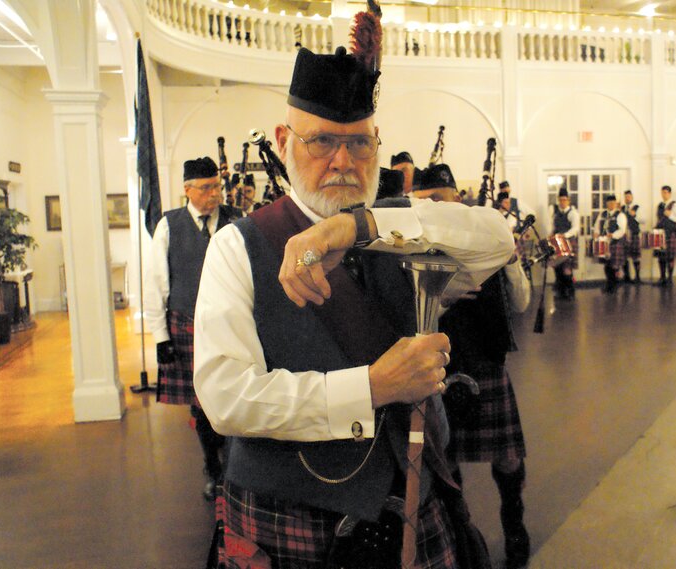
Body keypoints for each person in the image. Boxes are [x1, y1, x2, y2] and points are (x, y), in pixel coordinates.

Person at [193, 42, 514, 568]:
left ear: (378, 145)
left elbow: (497, 238)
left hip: (415, 503)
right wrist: (370, 388)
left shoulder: (398, 225)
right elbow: (225, 396)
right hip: (293, 520)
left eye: (359, 144)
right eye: (321, 140)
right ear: (283, 140)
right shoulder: (238, 245)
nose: (342, 161)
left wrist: (360, 225)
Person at [412, 165, 532, 569]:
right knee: (448, 460)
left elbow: (519, 304)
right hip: (439, 369)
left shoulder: (485, 238)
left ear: (456, 198)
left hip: (485, 361)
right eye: (423, 202)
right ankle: (462, 530)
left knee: (509, 457)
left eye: (439, 200)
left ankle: (513, 521)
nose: (431, 210)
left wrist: (511, 261)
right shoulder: (410, 247)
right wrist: (444, 294)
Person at [144, 156, 241, 501]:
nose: (214, 194)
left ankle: (233, 469)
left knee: (230, 397)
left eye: (216, 186)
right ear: (187, 189)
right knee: (201, 404)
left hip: (229, 323)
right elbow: (157, 284)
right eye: (206, 188)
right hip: (186, 322)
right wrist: (161, 337)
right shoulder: (169, 225)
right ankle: (213, 469)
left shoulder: (235, 220)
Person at [548, 188, 580, 300]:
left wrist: (564, 235)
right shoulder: (555, 213)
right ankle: (561, 292)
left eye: (564, 200)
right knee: (557, 268)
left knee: (567, 269)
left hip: (568, 242)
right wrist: (550, 236)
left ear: (568, 200)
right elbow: (553, 227)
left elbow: (575, 228)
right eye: (561, 200)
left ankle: (570, 292)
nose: (562, 202)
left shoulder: (573, 213)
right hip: (557, 242)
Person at [593, 194, 627, 294]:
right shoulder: (602, 214)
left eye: (613, 202)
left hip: (614, 243)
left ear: (615, 203)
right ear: (606, 203)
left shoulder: (620, 215)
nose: (611, 204)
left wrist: (612, 235)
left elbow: (622, 230)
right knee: (607, 265)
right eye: (609, 202)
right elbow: (597, 226)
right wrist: (596, 233)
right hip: (604, 243)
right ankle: (609, 285)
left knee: (614, 266)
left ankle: (613, 286)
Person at [654, 185, 676, 286]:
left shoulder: (675, 205)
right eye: (662, 192)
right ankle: (662, 278)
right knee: (661, 257)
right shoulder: (660, 205)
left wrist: (670, 215)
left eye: (666, 192)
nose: (664, 194)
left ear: (670, 193)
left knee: (670, 257)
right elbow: (658, 219)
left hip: (670, 233)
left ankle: (670, 279)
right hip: (660, 234)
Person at [620, 189, 644, 283]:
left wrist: (635, 215)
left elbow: (643, 220)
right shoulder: (622, 209)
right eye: (626, 197)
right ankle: (627, 277)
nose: (627, 198)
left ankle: (637, 277)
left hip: (634, 234)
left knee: (635, 256)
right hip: (624, 235)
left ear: (632, 197)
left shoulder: (637, 208)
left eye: (629, 196)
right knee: (624, 256)